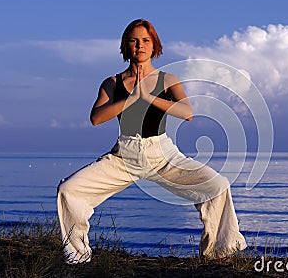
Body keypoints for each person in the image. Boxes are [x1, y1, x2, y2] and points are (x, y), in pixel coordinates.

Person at [56, 18, 247, 264]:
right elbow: (96, 118)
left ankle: (218, 253)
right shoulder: (112, 83)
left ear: (154, 45)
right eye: (133, 41)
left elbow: (186, 112)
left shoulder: (167, 80)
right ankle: (76, 257)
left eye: (145, 40)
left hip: (162, 154)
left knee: (217, 186)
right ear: (126, 46)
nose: (140, 45)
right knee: (69, 190)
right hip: (124, 155)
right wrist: (132, 98)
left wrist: (149, 97)